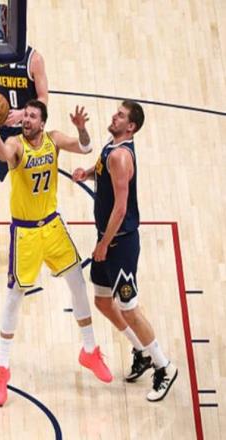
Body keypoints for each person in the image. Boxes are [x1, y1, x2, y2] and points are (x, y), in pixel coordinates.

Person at [0, 100, 113, 407]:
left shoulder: (53, 139)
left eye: (32, 116)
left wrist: (81, 129)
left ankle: (89, 350)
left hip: (52, 225)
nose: (27, 120)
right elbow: (3, 155)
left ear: (42, 123)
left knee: (78, 283)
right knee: (15, 296)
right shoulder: (16, 144)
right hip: (26, 232)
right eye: (25, 116)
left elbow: (85, 148)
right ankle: (2, 368)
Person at [72, 100, 178, 402]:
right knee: (103, 302)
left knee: (129, 308)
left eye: (120, 115)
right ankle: (142, 351)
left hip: (120, 244)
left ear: (130, 127)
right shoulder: (112, 145)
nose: (114, 116)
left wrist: (104, 244)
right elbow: (102, 170)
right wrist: (87, 173)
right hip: (108, 240)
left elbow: (120, 208)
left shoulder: (120, 156)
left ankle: (164, 366)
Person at [0, 46, 48, 268]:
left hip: (28, 135)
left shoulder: (34, 59)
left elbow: (43, 98)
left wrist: (23, 113)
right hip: (3, 135)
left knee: (34, 195)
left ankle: (46, 239)